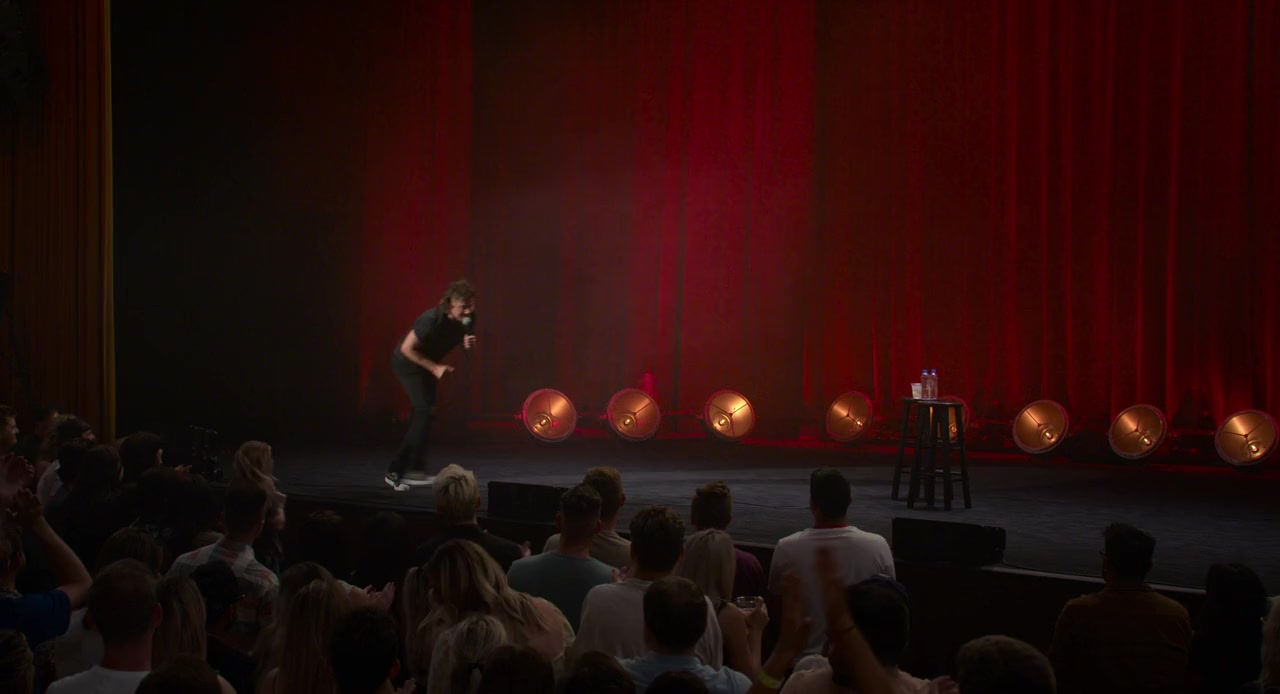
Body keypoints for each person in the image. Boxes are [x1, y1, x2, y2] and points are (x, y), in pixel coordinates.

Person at [385, 279, 477, 492]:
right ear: (449, 304)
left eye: (471, 305)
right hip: (408, 364)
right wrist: (434, 367)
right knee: (424, 410)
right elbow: (407, 349)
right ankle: (395, 472)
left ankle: (415, 470)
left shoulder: (469, 317)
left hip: (429, 364)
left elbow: (464, 342)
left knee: (427, 413)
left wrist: (466, 346)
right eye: (463, 307)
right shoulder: (431, 319)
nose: (468, 311)